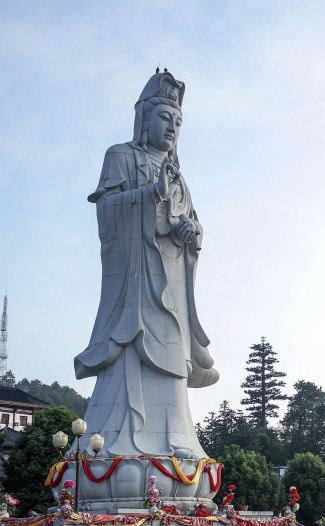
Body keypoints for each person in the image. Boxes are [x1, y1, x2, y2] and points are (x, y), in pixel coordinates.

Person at [74, 70, 218, 459]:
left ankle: (178, 442)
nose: (171, 127)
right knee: (130, 352)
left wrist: (192, 232)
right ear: (144, 119)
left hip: (169, 284)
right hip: (135, 286)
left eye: (178, 121)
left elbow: (189, 222)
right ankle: (112, 447)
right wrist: (150, 193)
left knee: (172, 354)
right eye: (164, 118)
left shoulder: (179, 176)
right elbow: (106, 211)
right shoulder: (120, 155)